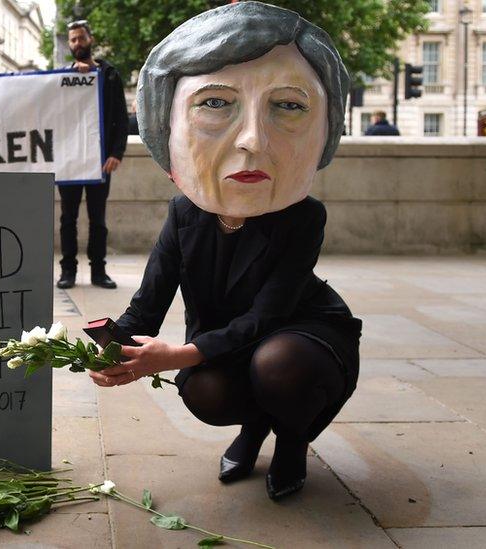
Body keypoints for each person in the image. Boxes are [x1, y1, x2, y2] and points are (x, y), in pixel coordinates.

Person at [89, 2, 362, 501]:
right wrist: (107, 347)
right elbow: (149, 302)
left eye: (289, 105)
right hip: (227, 342)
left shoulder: (304, 218)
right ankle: (253, 428)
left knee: (278, 364)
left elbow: (267, 316)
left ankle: (292, 443)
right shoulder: (184, 213)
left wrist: (177, 354)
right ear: (163, 129)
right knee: (206, 391)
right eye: (215, 103)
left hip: (300, 336)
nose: (253, 141)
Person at [56, 20, 128, 290]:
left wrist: (116, 153)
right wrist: (74, 76)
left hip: (100, 161)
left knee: (98, 218)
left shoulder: (109, 74)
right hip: (70, 161)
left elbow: (121, 117)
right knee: (68, 218)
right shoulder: (63, 75)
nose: (76, 43)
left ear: (90, 39)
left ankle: (99, 271)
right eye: (72, 40)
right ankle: (68, 272)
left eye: (80, 38)